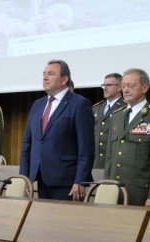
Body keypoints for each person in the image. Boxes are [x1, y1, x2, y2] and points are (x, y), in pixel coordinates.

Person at [20, 59, 94, 201]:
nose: (45, 78)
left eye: (51, 74)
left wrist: (80, 180)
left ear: (64, 79)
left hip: (67, 181)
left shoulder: (79, 104)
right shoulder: (37, 104)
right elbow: (28, 143)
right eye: (44, 74)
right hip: (39, 177)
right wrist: (24, 176)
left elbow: (86, 147)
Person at [104, 68, 150, 206]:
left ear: (145, 87)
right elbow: (110, 157)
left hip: (139, 193)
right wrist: (106, 185)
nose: (125, 90)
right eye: (123, 86)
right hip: (114, 190)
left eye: (131, 86)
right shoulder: (117, 115)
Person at [92, 73, 126, 172]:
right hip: (95, 163)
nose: (105, 88)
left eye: (109, 85)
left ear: (119, 87)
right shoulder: (96, 108)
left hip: (115, 164)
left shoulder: (126, 108)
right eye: (104, 85)